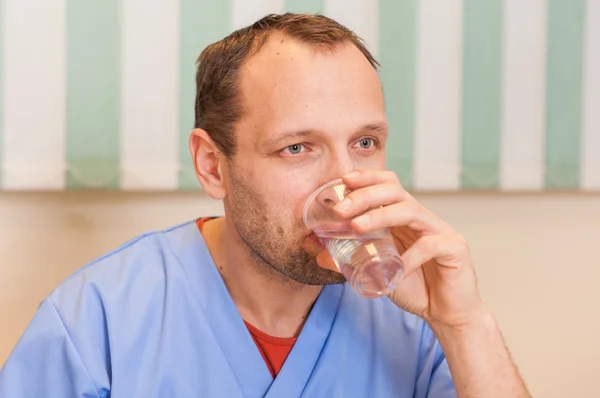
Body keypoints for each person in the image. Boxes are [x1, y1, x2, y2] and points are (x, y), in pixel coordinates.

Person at [0, 13, 531, 397]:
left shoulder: (416, 318)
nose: (344, 187)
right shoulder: (97, 324)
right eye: (297, 148)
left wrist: (466, 326)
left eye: (365, 143)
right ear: (213, 165)